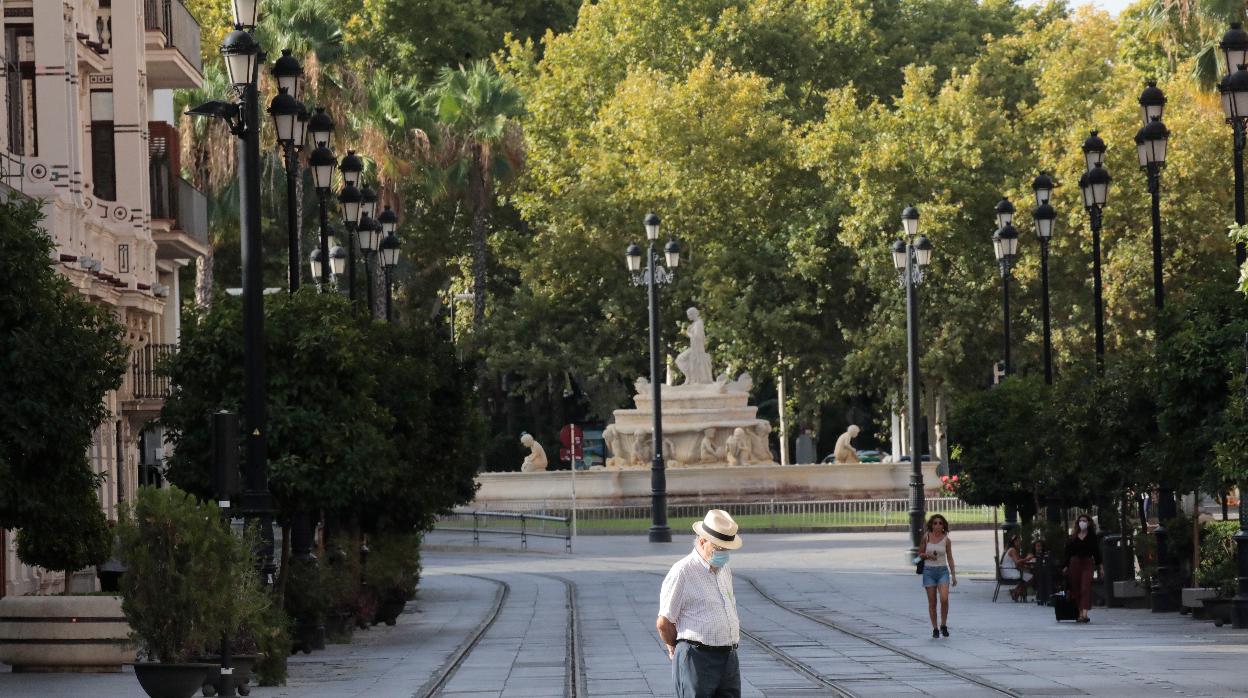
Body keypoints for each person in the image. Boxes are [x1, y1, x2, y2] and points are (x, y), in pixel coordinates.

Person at [657, 510, 743, 698]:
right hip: (697, 658)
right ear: (702, 541)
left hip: (728, 657)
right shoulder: (683, 571)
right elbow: (664, 622)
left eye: (726, 549)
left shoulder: (724, 569)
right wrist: (678, 647)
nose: (723, 554)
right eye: (718, 548)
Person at [917, 513, 957, 638]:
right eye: (935, 523)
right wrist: (928, 556)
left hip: (942, 571)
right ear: (931, 525)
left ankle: (943, 624)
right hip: (929, 571)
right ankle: (935, 628)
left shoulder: (946, 540)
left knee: (944, 599)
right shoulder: (926, 537)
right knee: (932, 602)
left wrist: (953, 575)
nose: (938, 525)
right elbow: (920, 554)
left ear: (943, 525)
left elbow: (950, 558)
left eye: (940, 523)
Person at [1063, 513, 1103, 623]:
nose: (1082, 522)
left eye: (1085, 520)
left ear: (1089, 523)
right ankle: (1079, 613)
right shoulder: (1073, 537)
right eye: (1080, 520)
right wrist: (1065, 566)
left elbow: (1097, 553)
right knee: (1076, 588)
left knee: (1085, 587)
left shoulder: (1092, 537)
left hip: (1087, 563)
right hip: (1074, 563)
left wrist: (1101, 567)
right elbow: (1068, 553)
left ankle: (1085, 613)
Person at [1000, 533, 1035, 601]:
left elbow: (1019, 561)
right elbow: (1017, 562)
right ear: (1015, 542)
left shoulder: (1012, 549)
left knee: (1028, 577)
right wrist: (1027, 559)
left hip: (1008, 570)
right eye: (1019, 541)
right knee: (1031, 578)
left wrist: (1026, 560)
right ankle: (1016, 592)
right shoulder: (1012, 550)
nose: (1020, 543)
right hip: (1009, 572)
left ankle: (1016, 592)